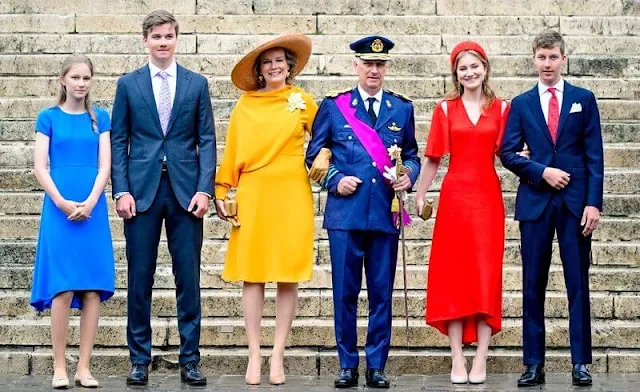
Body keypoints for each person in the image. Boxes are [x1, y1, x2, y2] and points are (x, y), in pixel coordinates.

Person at [305, 35, 420, 389]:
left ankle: (376, 365)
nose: (374, 70)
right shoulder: (335, 106)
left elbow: (413, 154)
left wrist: (408, 176)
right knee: (345, 291)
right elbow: (314, 155)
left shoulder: (402, 109)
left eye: (380, 64)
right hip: (346, 214)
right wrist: (335, 179)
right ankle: (346, 363)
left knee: (382, 292)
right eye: (368, 64)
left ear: (386, 68)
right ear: (355, 66)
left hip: (384, 215)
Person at [110, 10, 215, 386]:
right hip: (141, 193)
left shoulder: (196, 83)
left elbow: (206, 139)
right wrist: (120, 189)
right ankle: (139, 358)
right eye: (156, 36)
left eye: (169, 36)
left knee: (188, 277)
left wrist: (205, 189)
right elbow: (118, 139)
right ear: (145, 40)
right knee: (140, 278)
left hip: (186, 193)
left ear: (176, 38)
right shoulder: (129, 84)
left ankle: (190, 359)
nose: (163, 42)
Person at [500, 30, 604, 388]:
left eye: (553, 57)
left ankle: (581, 363)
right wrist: (541, 171)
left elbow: (595, 156)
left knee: (578, 285)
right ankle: (533, 364)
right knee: (533, 285)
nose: (547, 63)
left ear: (564, 59)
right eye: (541, 57)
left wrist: (593, 202)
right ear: (534, 60)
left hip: (576, 206)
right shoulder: (522, 103)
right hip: (536, 204)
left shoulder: (583, 99)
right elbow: (508, 152)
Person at [214, 33, 317, 386]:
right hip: (255, 191)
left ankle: (278, 353)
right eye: (268, 62)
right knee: (253, 273)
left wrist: (326, 156)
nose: (275, 66)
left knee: (288, 273)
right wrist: (222, 188)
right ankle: (255, 351)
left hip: (291, 190)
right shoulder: (245, 105)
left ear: (290, 66)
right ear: (259, 70)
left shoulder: (303, 101)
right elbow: (232, 150)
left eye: (280, 61)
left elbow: (325, 140)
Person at [416, 41, 509, 385]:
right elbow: (433, 158)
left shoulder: (502, 109)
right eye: (462, 68)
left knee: (486, 276)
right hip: (454, 199)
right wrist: (421, 192)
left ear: (485, 68)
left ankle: (481, 358)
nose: (469, 73)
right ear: (456, 74)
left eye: (474, 66)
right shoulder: (445, 108)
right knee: (454, 277)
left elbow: (512, 154)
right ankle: (457, 357)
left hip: (487, 200)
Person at [31, 53, 115, 389]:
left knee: (92, 289)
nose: (81, 84)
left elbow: (105, 165)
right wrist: (63, 202)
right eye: (75, 77)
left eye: (86, 78)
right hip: (59, 208)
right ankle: (59, 366)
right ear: (63, 80)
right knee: (62, 289)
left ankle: (84, 367)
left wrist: (92, 200)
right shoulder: (47, 116)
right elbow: (40, 166)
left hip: (92, 209)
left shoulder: (101, 118)